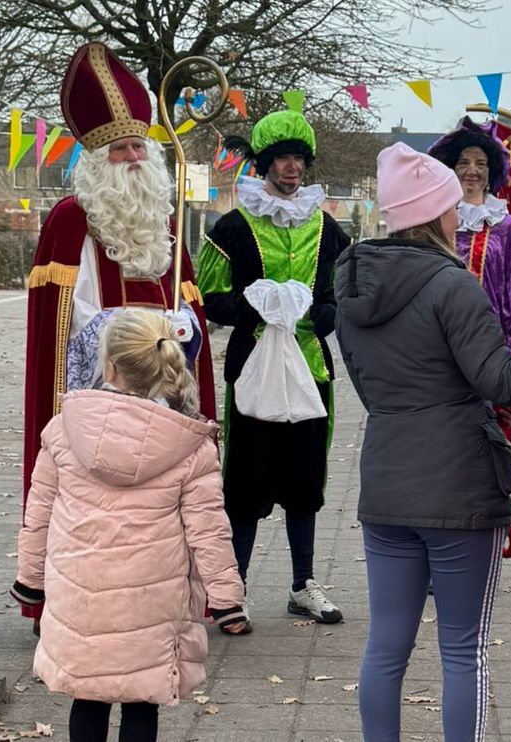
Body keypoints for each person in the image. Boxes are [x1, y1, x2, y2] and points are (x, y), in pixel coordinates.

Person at [333, 143, 511, 741]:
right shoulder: (453, 285)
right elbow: (500, 380)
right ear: (438, 213)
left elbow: (368, 385)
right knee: (464, 651)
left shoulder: (351, 290)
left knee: (386, 647)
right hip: (460, 486)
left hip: (385, 482)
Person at [22, 41, 217, 630]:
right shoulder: (69, 221)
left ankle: (163, 597)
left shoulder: (166, 223)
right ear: (94, 159)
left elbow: (188, 303)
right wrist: (137, 339)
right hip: (97, 394)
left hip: (164, 391)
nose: (134, 156)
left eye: (140, 145)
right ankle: (85, 600)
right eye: (120, 147)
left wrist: (186, 329)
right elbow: (67, 320)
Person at [11, 309, 246, 742]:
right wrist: (227, 599)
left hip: (80, 593)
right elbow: (209, 530)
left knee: (88, 697)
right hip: (153, 599)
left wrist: (29, 579)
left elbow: (39, 511)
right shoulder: (190, 445)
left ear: (110, 365)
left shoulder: (63, 430)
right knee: (142, 700)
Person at [197, 109, 349, 623]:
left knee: (305, 482)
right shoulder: (233, 227)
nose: (291, 168)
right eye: (282, 158)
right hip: (253, 369)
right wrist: (257, 308)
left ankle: (302, 584)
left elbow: (337, 295)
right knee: (245, 483)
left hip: (311, 370)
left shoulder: (328, 228)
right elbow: (209, 297)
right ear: (264, 164)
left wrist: (315, 314)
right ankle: (232, 589)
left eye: (298, 159)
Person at [429, 117, 511, 439]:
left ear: (491, 172)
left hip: (490, 353)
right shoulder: (433, 223)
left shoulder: (508, 228)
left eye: (480, 163)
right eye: (463, 163)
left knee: (488, 449)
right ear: (450, 169)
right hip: (439, 354)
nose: (471, 171)